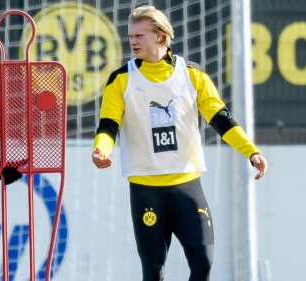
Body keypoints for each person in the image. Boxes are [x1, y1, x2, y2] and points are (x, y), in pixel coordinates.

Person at [91, 6, 268, 281]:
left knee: (203, 265)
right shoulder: (121, 79)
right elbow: (108, 127)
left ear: (160, 37)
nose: (133, 41)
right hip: (146, 189)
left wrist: (252, 152)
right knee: (153, 273)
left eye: (140, 35)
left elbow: (221, 119)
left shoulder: (192, 74)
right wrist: (100, 149)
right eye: (131, 36)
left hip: (187, 186)